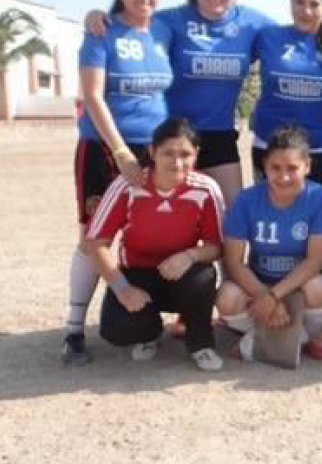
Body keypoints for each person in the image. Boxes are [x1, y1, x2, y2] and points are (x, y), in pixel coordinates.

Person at [86, 0, 274, 207]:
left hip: (219, 136)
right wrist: (98, 16)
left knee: (232, 213)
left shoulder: (252, 23)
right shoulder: (171, 20)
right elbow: (128, 22)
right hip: (173, 135)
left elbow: (290, 39)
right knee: (168, 213)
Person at [62, 0, 174, 367]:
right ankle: (74, 330)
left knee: (156, 230)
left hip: (156, 148)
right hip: (104, 147)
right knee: (93, 236)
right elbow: (93, 96)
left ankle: (150, 316)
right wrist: (121, 151)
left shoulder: (164, 31)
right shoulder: (101, 32)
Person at [84, 117, 225, 371]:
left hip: (181, 275)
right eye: (168, 153)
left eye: (185, 154)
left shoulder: (206, 189)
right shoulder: (127, 185)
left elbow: (216, 246)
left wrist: (190, 256)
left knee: (203, 276)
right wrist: (123, 289)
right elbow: (96, 243)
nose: (177, 162)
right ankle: (149, 333)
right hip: (138, 275)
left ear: (196, 154)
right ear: (152, 152)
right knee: (116, 330)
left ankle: (201, 343)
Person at [216, 125, 322, 363]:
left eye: (292, 168)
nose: (283, 177)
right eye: (275, 168)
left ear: (307, 166)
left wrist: (274, 296)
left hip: (300, 283)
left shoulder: (321, 198)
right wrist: (264, 294)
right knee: (227, 297)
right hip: (260, 281)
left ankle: (305, 335)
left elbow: (315, 260)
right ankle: (272, 333)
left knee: (318, 287)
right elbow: (233, 261)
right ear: (264, 165)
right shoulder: (246, 199)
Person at [250, 0, 322, 189]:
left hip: (321, 148)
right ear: (290, 2)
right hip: (270, 146)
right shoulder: (268, 36)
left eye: (314, 4)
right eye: (300, 2)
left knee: (317, 210)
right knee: (267, 210)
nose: (306, 11)